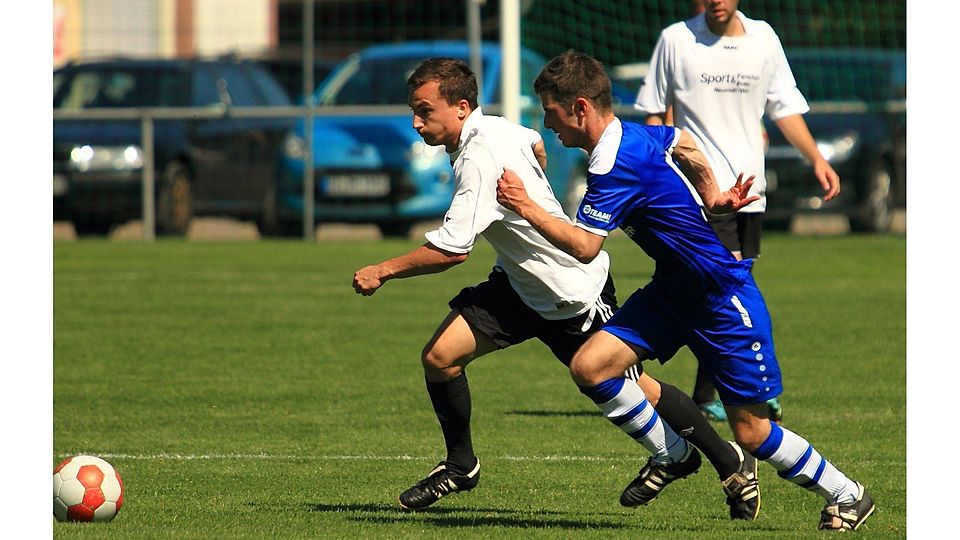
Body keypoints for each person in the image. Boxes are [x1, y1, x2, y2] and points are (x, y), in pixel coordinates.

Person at [352, 57, 760, 519]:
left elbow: (453, 250)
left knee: (633, 387)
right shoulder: (499, 129)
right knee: (440, 358)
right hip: (519, 284)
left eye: (424, 110)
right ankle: (461, 466)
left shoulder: (478, 159)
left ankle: (724, 459)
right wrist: (536, 171)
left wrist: (382, 270)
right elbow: (532, 141)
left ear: (462, 107)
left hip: (570, 292)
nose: (416, 121)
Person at [495, 50, 874, 531]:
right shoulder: (633, 134)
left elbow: (586, 247)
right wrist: (713, 195)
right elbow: (684, 141)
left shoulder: (613, 162)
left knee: (752, 432)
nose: (550, 124)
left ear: (581, 107)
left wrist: (527, 206)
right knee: (591, 366)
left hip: (721, 297)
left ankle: (848, 494)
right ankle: (673, 454)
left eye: (551, 111)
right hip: (674, 293)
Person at [635, 0, 841, 423]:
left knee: (725, 291)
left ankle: (709, 390)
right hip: (700, 191)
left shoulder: (764, 39)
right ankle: (743, 389)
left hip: (749, 192)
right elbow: (655, 113)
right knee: (725, 291)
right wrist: (660, 176)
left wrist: (816, 159)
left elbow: (784, 107)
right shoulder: (676, 39)